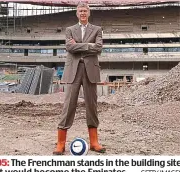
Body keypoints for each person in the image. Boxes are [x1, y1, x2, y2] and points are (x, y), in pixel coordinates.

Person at [53, 2, 106, 155]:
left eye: (85, 10)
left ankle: (94, 142)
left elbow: (99, 48)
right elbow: (69, 47)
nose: (83, 13)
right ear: (77, 14)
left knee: (92, 105)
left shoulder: (97, 29)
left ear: (89, 13)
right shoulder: (69, 30)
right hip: (73, 70)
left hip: (90, 70)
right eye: (80, 11)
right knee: (68, 105)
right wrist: (89, 45)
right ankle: (61, 143)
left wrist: (80, 46)